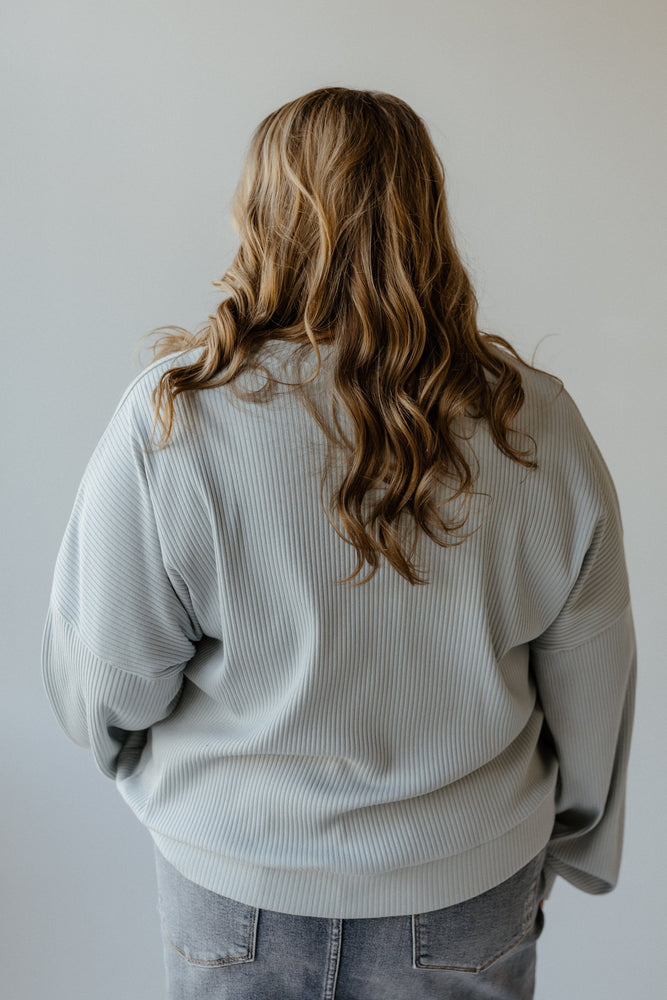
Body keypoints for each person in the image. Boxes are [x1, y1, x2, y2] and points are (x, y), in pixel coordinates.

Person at [41, 87, 636, 1000]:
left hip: (233, 884)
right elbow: (592, 685)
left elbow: (109, 683)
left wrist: (147, 769)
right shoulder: (536, 423)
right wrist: (561, 840)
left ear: (261, 215)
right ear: (427, 215)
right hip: (465, 888)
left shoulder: (175, 419)